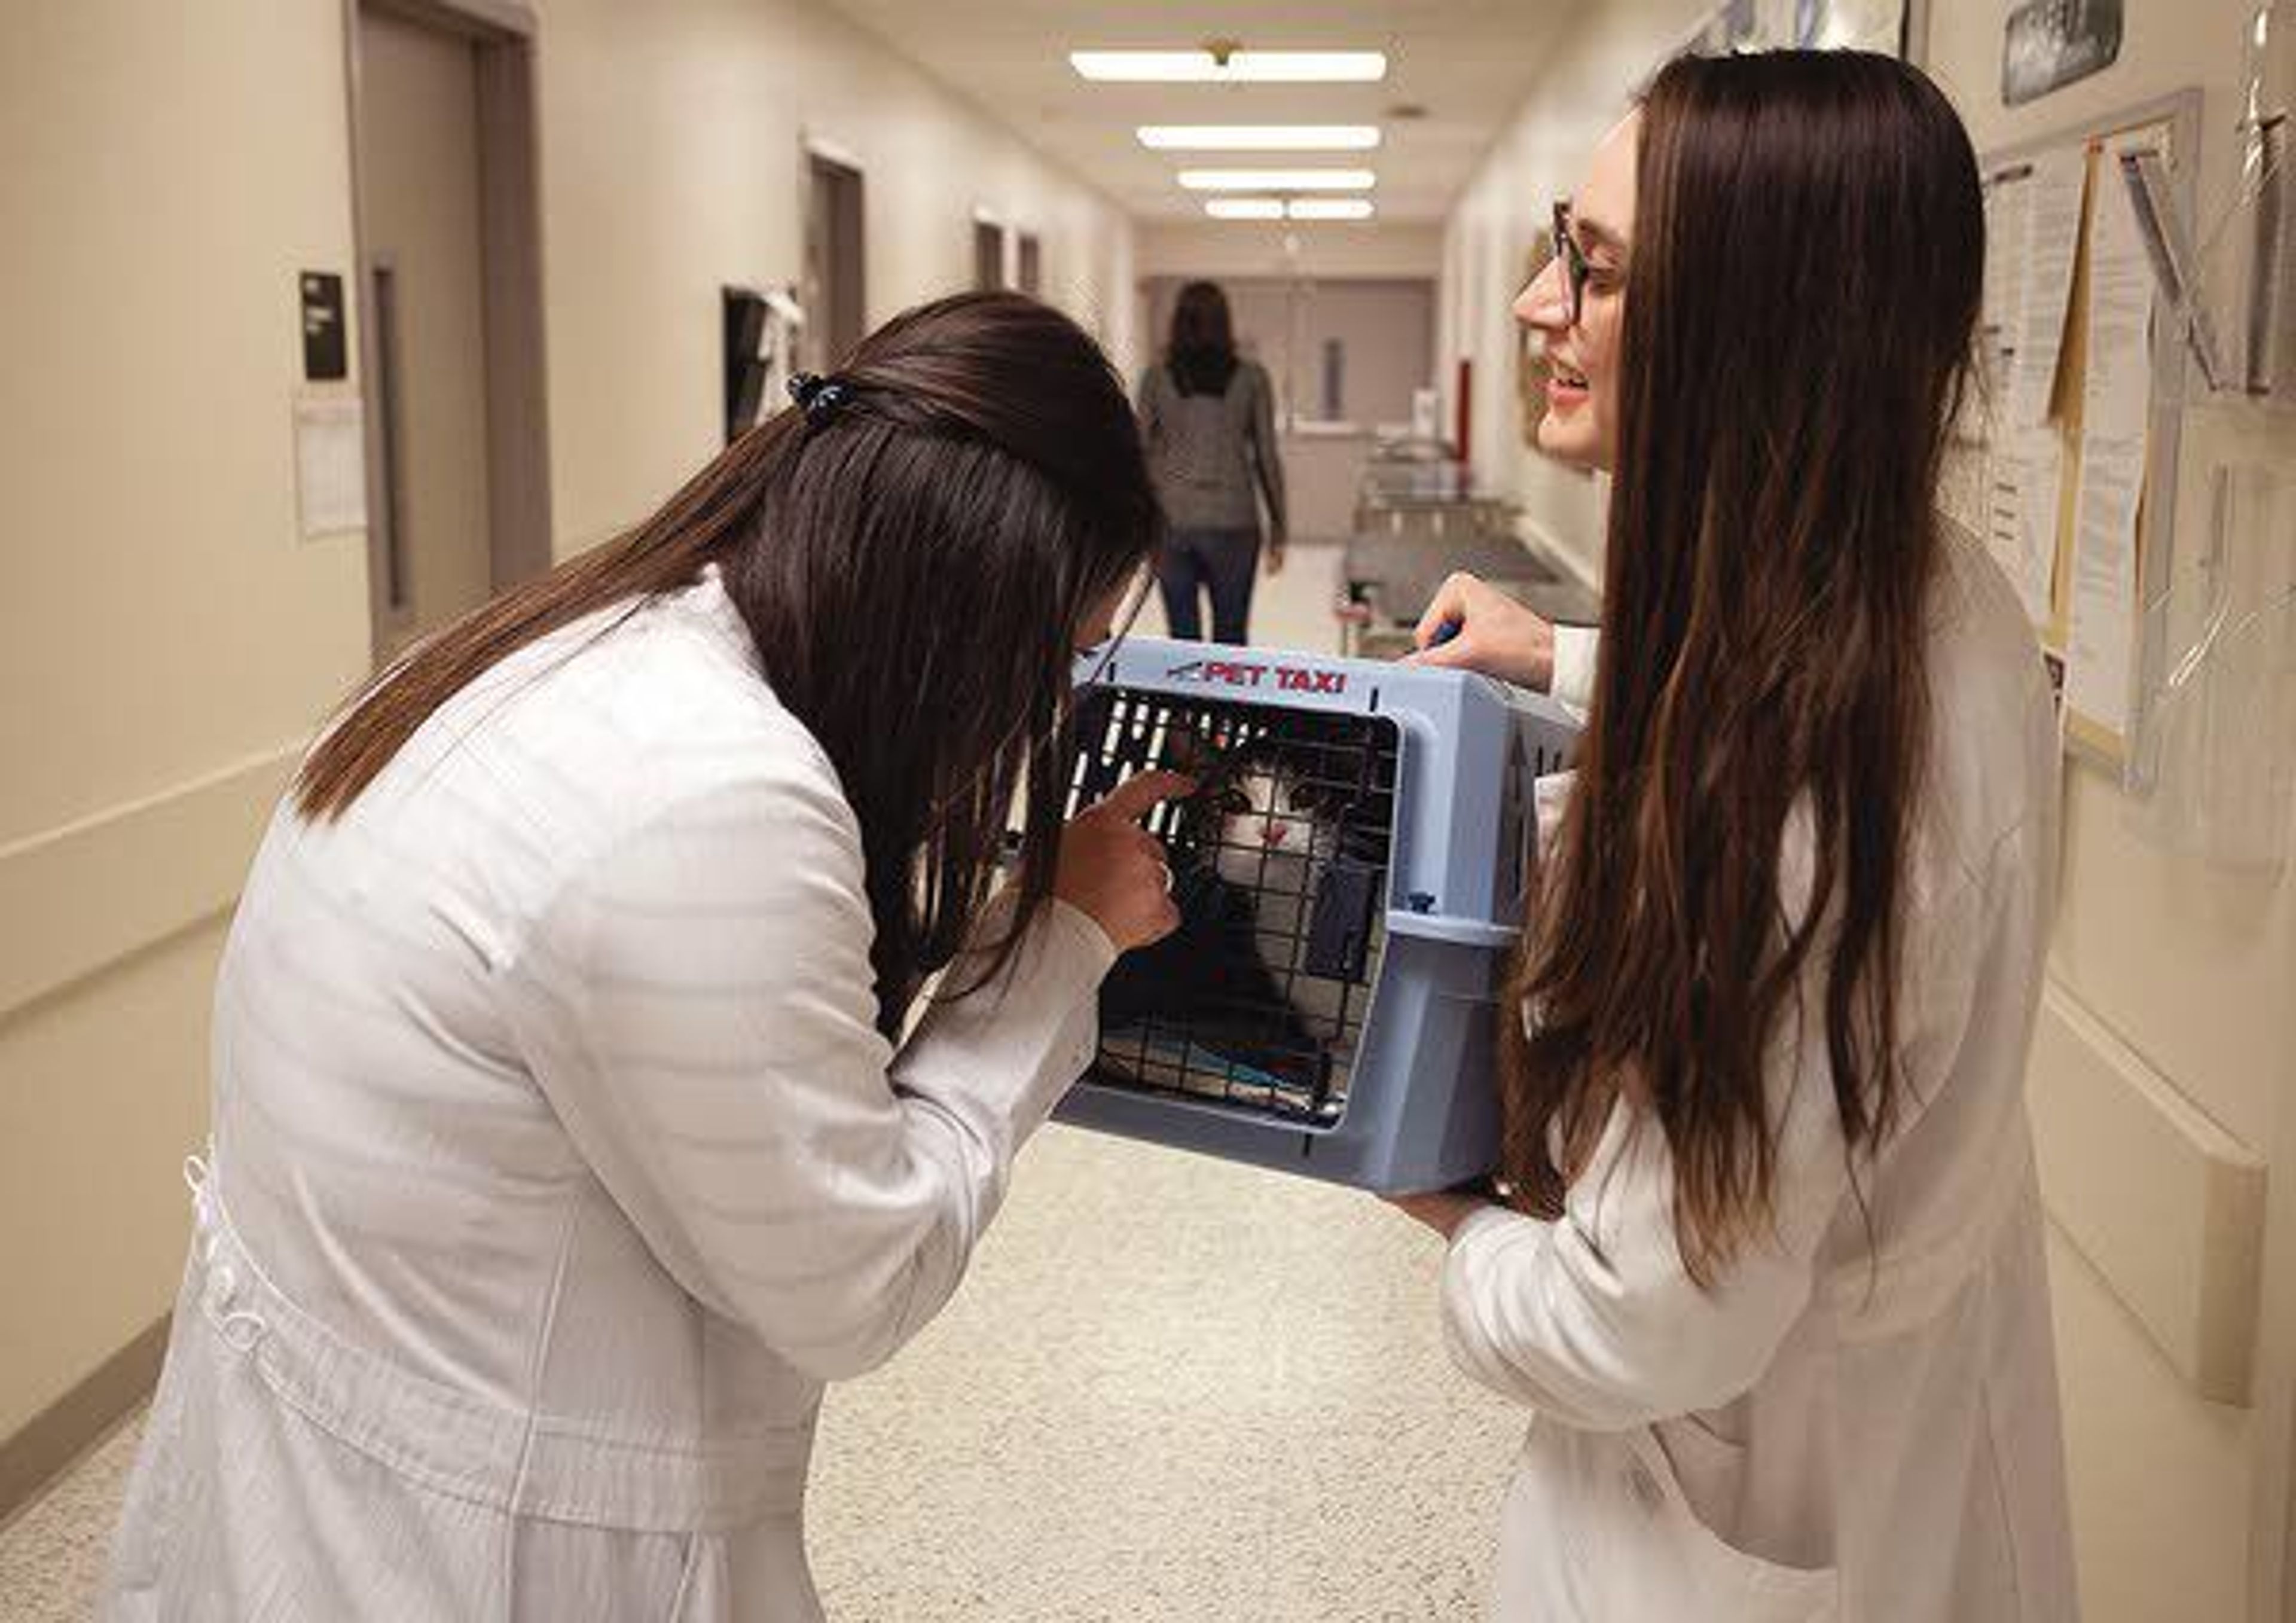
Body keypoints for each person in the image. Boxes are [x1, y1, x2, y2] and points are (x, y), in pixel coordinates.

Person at [102, 292, 1189, 1621]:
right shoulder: (711, 798)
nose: (1039, 705)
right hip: (487, 1557)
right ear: (964, 609)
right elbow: (858, 1280)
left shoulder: (543, 650)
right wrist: (1053, 945)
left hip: (327, 1481)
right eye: (1059, 654)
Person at [1394, 52, 2078, 1622]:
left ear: (1751, 328)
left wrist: (1437, 1210)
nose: (1533, 306)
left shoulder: (1795, 797)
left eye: (1598, 268)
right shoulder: (1937, 588)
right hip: (1894, 1429)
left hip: (1741, 1525)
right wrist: (1557, 654)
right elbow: (1763, 670)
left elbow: (1645, 1324)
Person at [1136, 280, 1289, 644]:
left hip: (1172, 523)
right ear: (1225, 322)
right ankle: (1227, 704)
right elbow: (1267, 456)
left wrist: (1137, 529)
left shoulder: (1155, 378)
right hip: (1235, 523)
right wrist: (1279, 531)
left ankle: (1185, 703)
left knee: (1182, 639)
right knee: (1231, 641)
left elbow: (1138, 453)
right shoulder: (1253, 378)